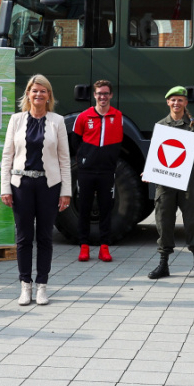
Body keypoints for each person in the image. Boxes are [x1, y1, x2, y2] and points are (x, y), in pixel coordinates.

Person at [1, 74, 71, 306]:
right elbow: (7, 156)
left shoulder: (57, 121)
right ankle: (25, 286)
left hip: (48, 186)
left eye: (43, 91)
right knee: (23, 238)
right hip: (21, 185)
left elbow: (64, 159)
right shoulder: (16, 120)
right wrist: (5, 188)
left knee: (44, 237)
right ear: (28, 94)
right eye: (34, 90)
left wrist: (66, 191)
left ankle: (42, 286)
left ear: (49, 95)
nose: (38, 94)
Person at [148, 86, 194, 281]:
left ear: (185, 103)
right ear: (168, 102)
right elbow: (156, 156)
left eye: (180, 100)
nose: (176, 103)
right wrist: (148, 170)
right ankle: (163, 264)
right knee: (164, 221)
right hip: (165, 182)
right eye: (173, 100)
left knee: (193, 222)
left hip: (188, 180)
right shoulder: (161, 125)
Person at [72, 79, 123, 262]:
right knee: (84, 209)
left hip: (107, 172)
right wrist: (85, 159)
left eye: (106, 93)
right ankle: (84, 246)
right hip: (86, 171)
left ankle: (104, 247)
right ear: (94, 95)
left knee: (106, 209)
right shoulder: (84, 117)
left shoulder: (118, 116)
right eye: (99, 93)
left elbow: (120, 143)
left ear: (111, 95)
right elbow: (76, 142)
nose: (103, 96)